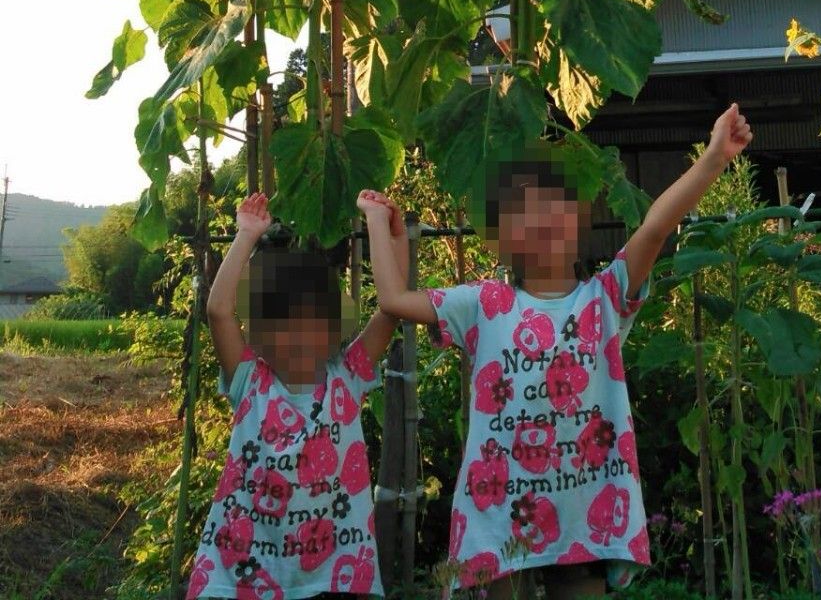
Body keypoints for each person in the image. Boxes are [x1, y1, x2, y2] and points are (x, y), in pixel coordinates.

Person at [359, 104, 752, 598]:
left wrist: (714, 158)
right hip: (495, 511)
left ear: (578, 221)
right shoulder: (483, 304)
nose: (542, 220)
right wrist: (382, 224)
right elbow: (394, 300)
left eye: (554, 207)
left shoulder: (607, 298)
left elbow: (654, 227)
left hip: (583, 512)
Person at [187, 191, 404, 600]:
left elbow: (391, 309)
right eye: (283, 325)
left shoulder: (347, 377)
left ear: (334, 328)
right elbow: (218, 311)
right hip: (251, 569)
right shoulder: (250, 380)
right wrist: (247, 235)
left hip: (333, 573)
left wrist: (382, 227)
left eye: (313, 324)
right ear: (259, 333)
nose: (299, 338)